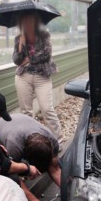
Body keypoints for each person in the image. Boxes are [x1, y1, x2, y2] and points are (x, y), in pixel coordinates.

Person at [12, 11, 64, 145]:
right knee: (26, 112)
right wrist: (20, 45)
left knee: (47, 109)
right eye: (25, 22)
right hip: (23, 77)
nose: (28, 24)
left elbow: (46, 54)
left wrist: (28, 59)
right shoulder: (18, 38)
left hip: (42, 76)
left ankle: (57, 140)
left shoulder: (44, 35)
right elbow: (17, 60)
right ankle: (29, 141)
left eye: (30, 21)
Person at [0, 113, 61, 201]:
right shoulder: (13, 145)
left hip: (20, 122)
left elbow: (55, 169)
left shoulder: (52, 141)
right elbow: (12, 174)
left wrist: (68, 192)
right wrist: (32, 199)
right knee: (4, 171)